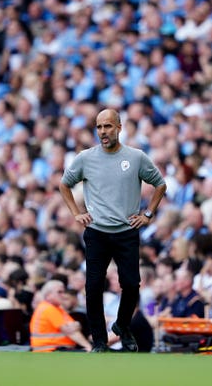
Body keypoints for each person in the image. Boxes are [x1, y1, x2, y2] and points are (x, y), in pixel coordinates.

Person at [59, 108, 167, 352]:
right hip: (97, 231)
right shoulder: (86, 158)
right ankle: (99, 341)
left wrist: (147, 214)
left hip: (126, 231)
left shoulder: (136, 157)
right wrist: (77, 213)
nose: (103, 132)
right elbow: (64, 185)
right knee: (93, 287)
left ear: (119, 127)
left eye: (107, 126)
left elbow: (160, 184)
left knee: (131, 285)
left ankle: (121, 325)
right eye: (98, 127)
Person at [29, 280, 92, 352]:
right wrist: (87, 346)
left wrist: (77, 325)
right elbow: (71, 331)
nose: (63, 295)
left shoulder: (56, 308)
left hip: (54, 349)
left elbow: (73, 328)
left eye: (63, 292)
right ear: (48, 294)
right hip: (50, 350)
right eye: (59, 292)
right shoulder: (49, 308)